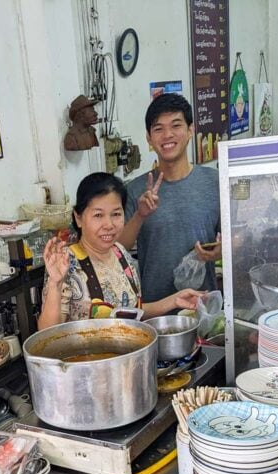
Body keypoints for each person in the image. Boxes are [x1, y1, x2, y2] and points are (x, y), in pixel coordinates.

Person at [37, 172, 202, 330]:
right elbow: (48, 333)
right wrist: (55, 283)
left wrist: (174, 300)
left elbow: (132, 313)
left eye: (116, 214)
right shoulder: (67, 263)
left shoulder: (119, 252)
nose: (109, 225)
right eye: (98, 215)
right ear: (79, 218)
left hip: (128, 355)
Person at [120, 93, 222, 303]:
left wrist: (222, 252)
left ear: (191, 130)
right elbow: (118, 248)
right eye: (158, 129)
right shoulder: (135, 189)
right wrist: (140, 215)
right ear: (149, 138)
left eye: (176, 125)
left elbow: (235, 238)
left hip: (203, 306)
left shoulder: (214, 182)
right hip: (155, 312)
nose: (167, 135)